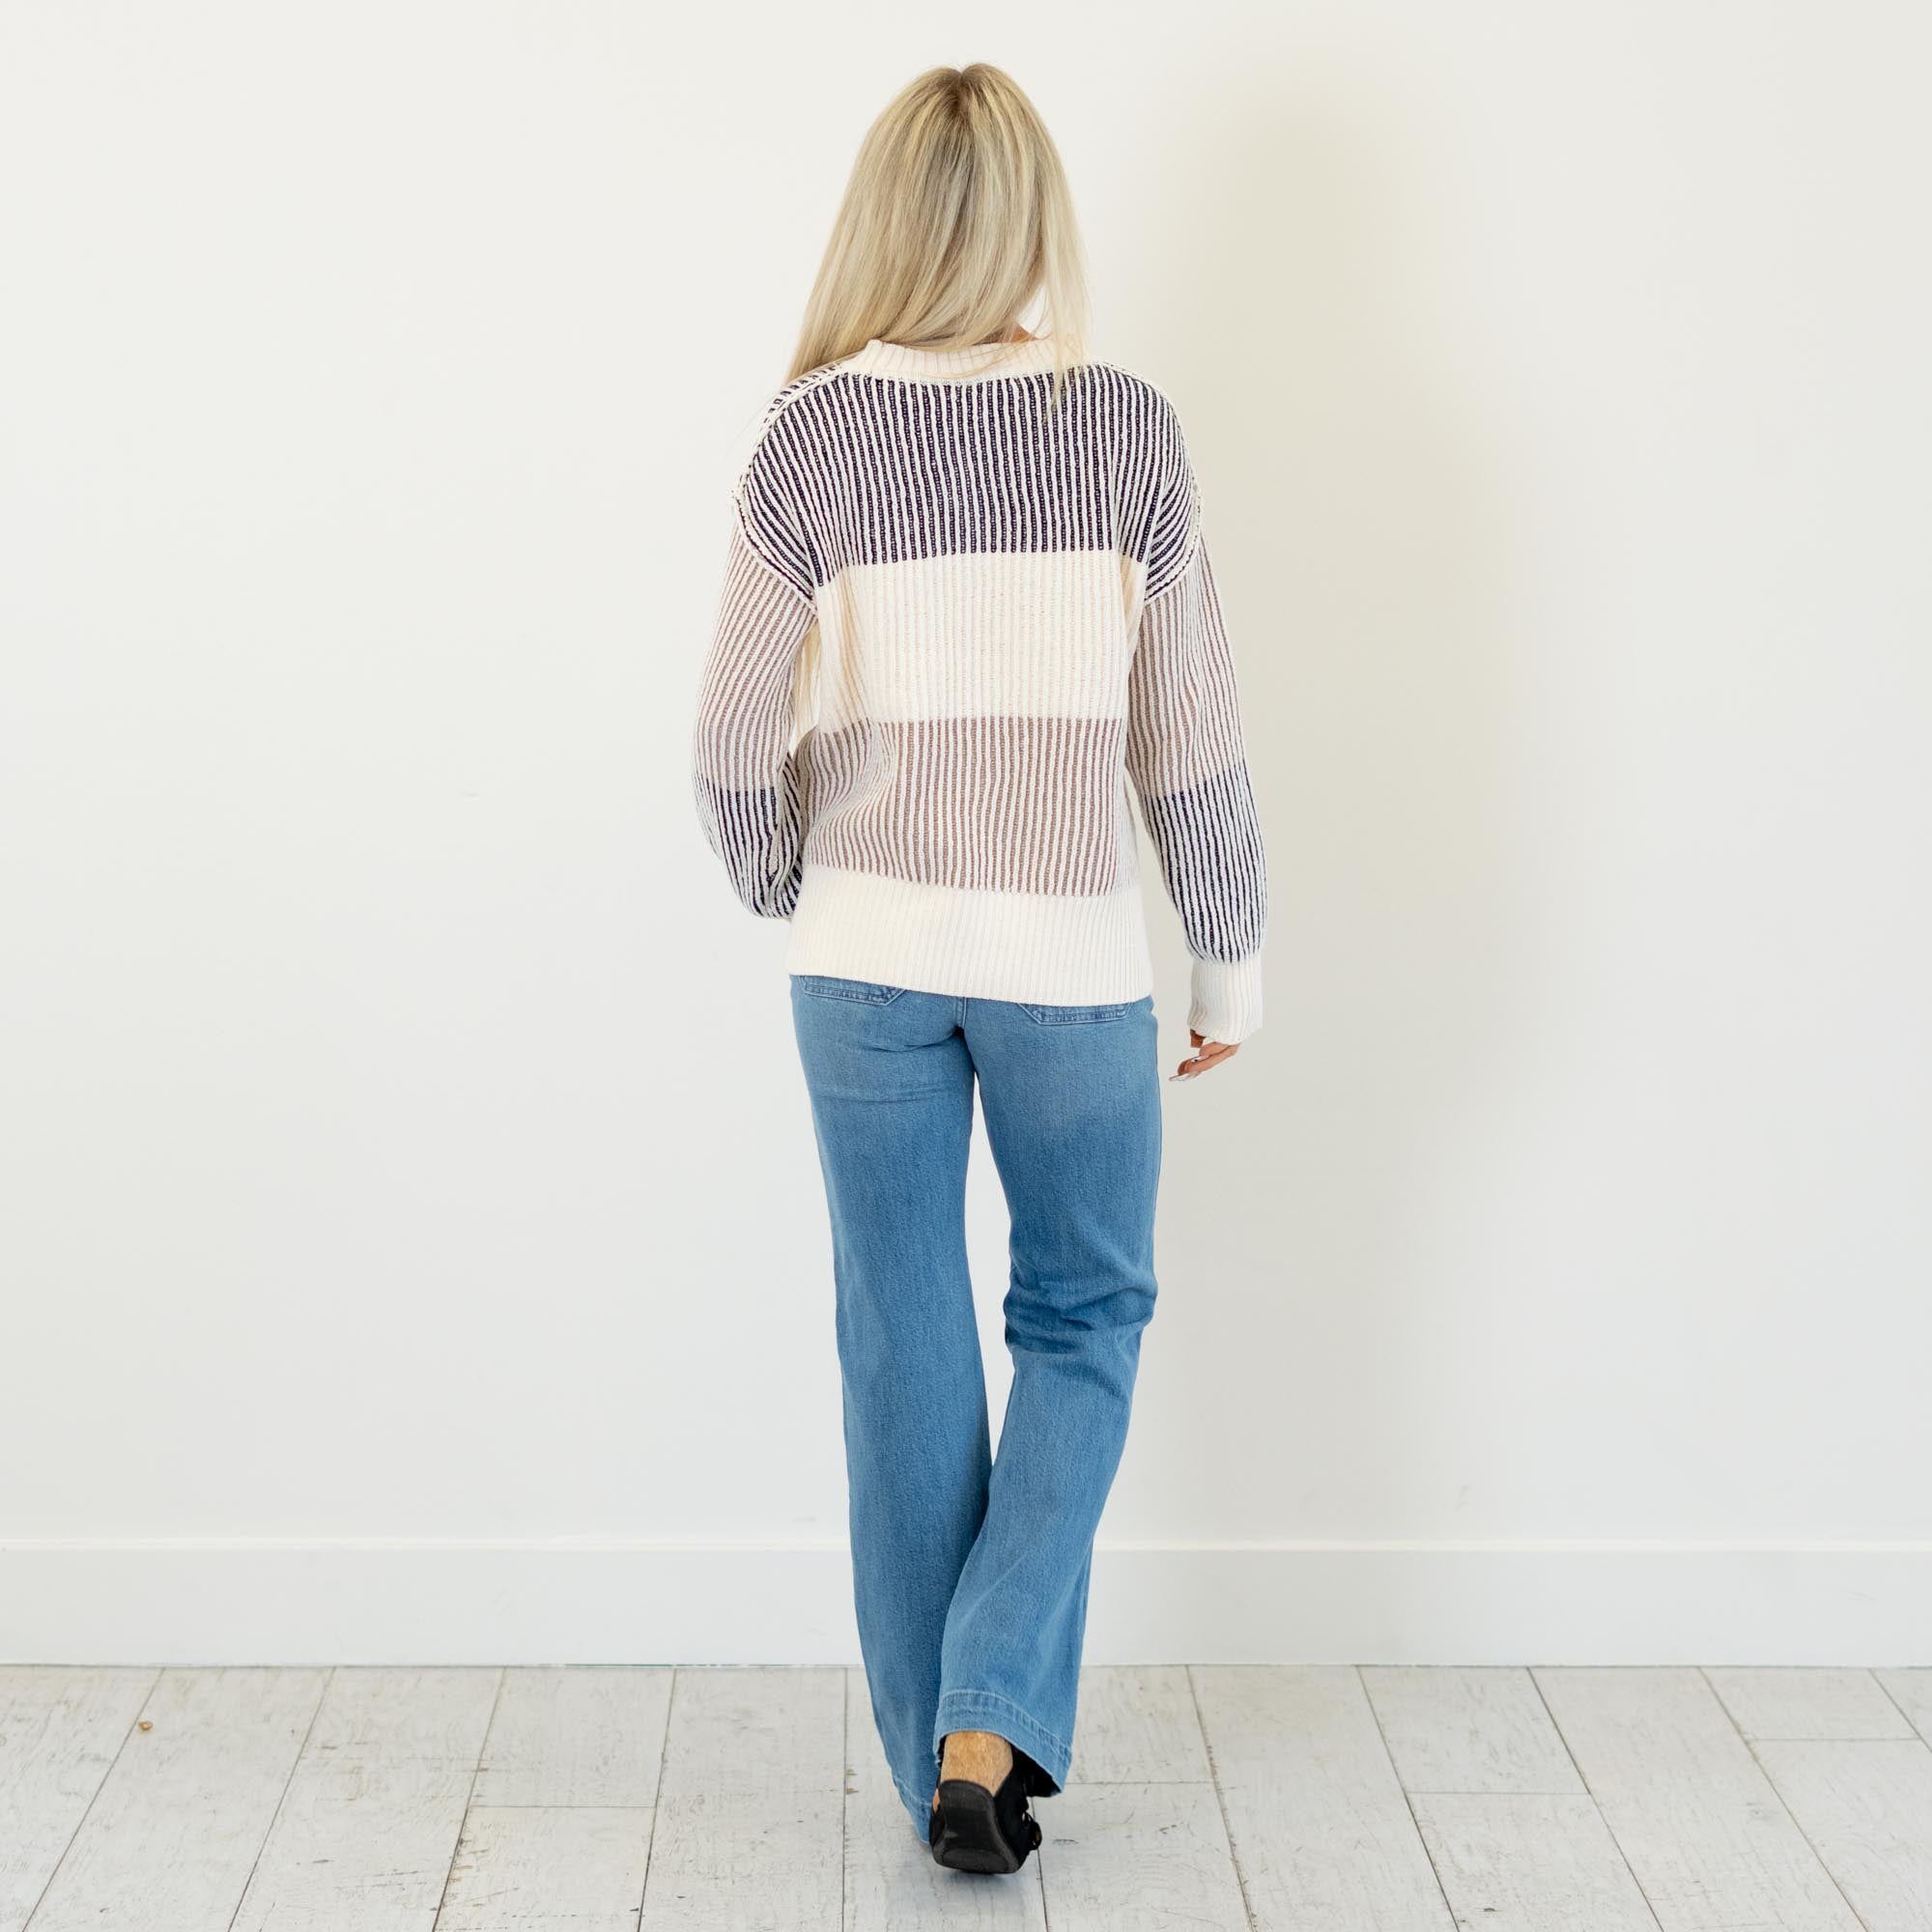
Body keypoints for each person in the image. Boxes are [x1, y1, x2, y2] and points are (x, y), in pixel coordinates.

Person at [692, 62, 1266, 1874]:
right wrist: (1228, 959)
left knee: (902, 1330)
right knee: (1085, 1314)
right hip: (1068, 963)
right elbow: (1192, 736)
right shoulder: (1126, 429)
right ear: (1034, 221)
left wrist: (795, 880)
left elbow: (726, 741)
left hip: (860, 962)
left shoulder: (809, 437)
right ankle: (988, 1716)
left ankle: (942, 1742)